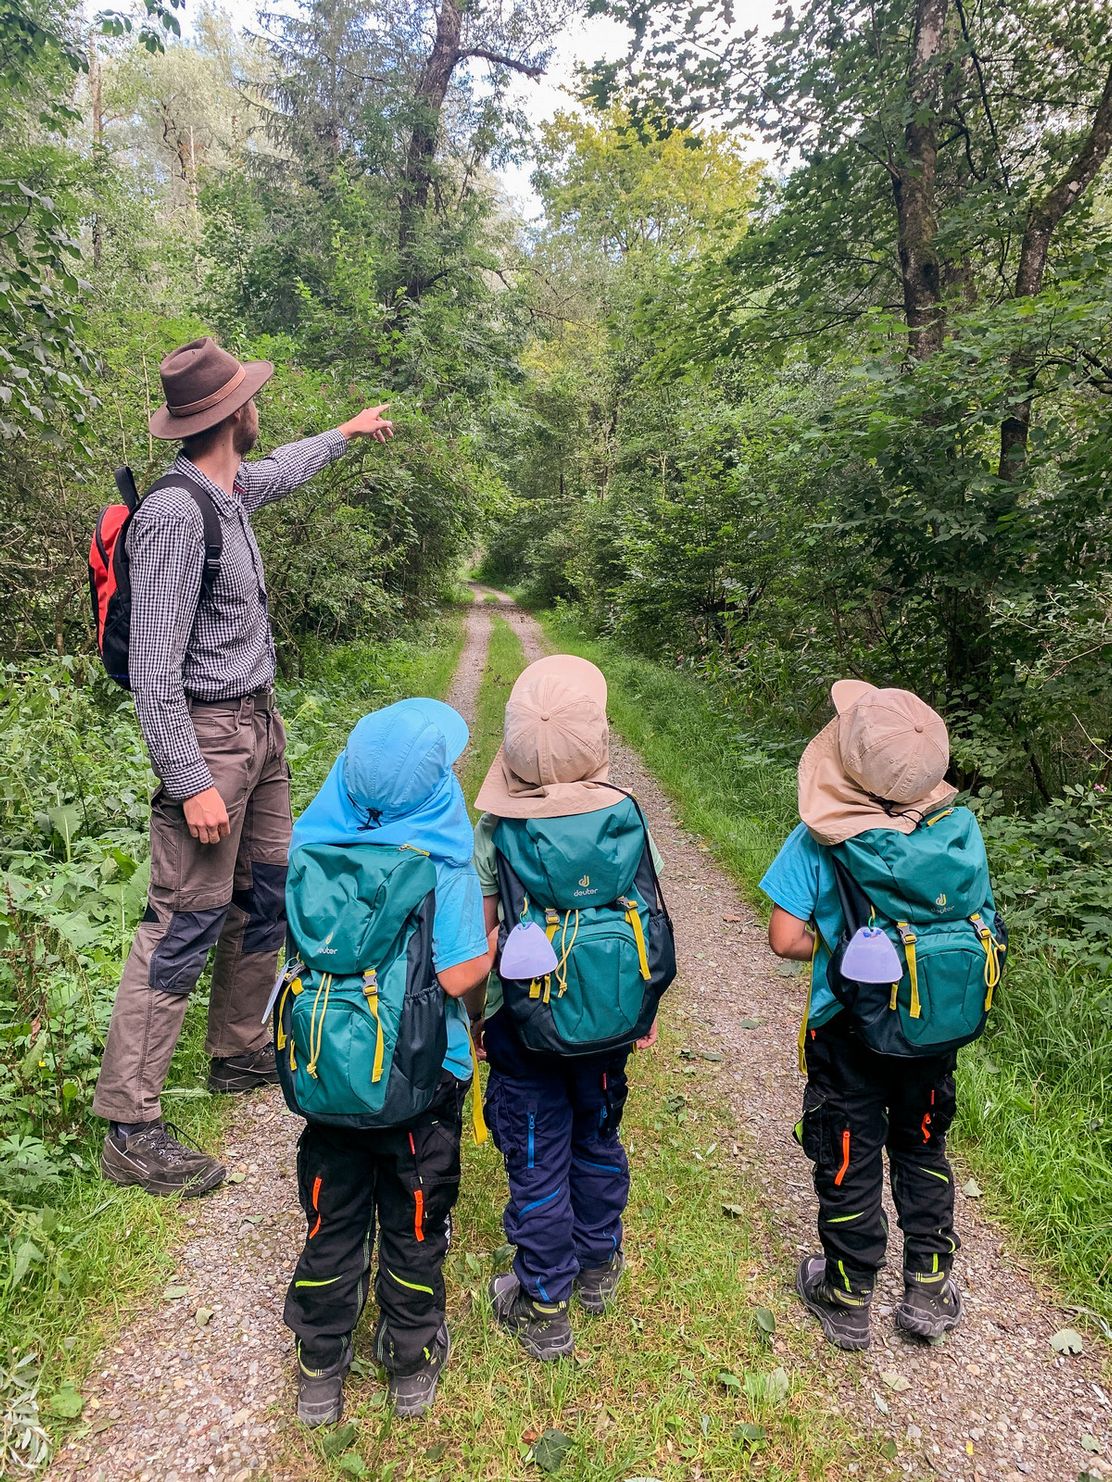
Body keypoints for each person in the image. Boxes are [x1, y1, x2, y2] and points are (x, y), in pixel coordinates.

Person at [93, 336, 394, 1197]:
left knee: (263, 896)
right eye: (252, 399)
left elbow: (284, 470)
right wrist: (189, 782)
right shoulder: (177, 515)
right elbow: (152, 672)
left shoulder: (229, 490)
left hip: (260, 731)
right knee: (184, 919)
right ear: (231, 416)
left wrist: (343, 433)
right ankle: (131, 1126)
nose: (261, 410)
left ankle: (239, 1051)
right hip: (210, 739)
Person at [761, 679, 994, 1350]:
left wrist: (843, 949)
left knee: (848, 1149)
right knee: (922, 1143)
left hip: (846, 1026)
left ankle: (848, 1292)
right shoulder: (959, 830)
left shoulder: (822, 837)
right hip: (933, 1023)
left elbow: (784, 937)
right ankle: (927, 1287)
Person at [282, 699, 496, 1424]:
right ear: (439, 789)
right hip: (421, 1083)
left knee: (331, 1218)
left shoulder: (315, 850)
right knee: (414, 1220)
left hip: (328, 1079)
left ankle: (319, 1363)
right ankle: (408, 1359)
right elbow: (463, 974)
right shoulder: (440, 862)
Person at [471, 655, 668, 1362]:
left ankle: (545, 1299)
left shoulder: (498, 829)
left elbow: (485, 937)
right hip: (610, 1026)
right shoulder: (624, 817)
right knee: (597, 1136)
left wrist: (476, 1022)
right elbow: (647, 918)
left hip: (523, 1031)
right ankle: (598, 1262)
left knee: (536, 1159)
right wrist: (642, 1014)